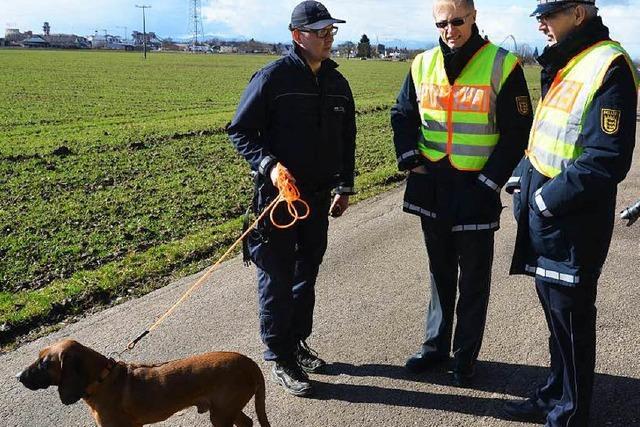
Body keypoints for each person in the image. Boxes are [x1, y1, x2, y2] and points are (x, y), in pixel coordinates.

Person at [503, 1, 639, 425]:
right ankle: (554, 394)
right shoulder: (569, 60)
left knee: (572, 320)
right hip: (547, 215)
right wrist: (522, 178)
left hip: (572, 220)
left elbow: (606, 158)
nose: (541, 22)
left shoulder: (608, 65)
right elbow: (550, 132)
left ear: (579, 14)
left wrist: (544, 201)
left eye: (551, 14)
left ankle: (571, 412)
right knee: (554, 317)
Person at [390, 0, 533, 386]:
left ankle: (464, 357)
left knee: (473, 279)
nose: (449, 30)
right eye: (442, 23)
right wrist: (410, 159)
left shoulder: (503, 64)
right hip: (432, 185)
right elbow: (402, 114)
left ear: (473, 18)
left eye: (457, 21)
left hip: (476, 187)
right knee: (439, 272)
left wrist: (490, 182)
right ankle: (435, 347)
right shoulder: (421, 64)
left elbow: (518, 131)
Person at [227, 1, 355, 397]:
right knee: (276, 276)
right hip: (277, 201)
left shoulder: (338, 83)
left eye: (331, 31)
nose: (328, 37)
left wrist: (344, 186)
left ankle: (297, 342)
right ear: (297, 36)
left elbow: (346, 139)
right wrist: (270, 166)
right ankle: (279, 356)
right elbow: (240, 131)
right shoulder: (272, 79)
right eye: (321, 32)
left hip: (317, 199)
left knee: (306, 273)